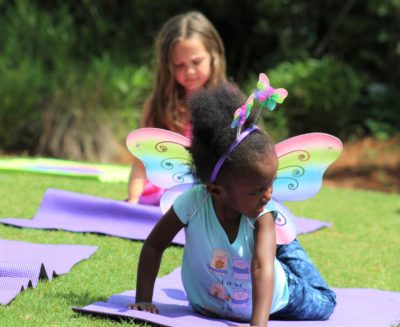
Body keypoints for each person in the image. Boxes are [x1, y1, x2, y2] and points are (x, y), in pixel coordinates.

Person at [128, 84, 336, 326]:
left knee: (326, 302)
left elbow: (261, 266)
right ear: (216, 189)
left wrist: (258, 324)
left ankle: (286, 246)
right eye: (257, 190)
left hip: (277, 297)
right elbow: (154, 245)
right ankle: (279, 245)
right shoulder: (193, 202)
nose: (269, 195)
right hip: (208, 305)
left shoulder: (263, 213)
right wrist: (143, 300)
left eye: (272, 184)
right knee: (264, 244)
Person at [127, 11, 227, 204]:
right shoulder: (158, 104)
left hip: (207, 196)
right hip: (159, 197)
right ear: (168, 66)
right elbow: (140, 162)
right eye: (179, 65)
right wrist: (133, 199)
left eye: (196, 62)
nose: (189, 71)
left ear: (213, 56)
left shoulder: (226, 103)